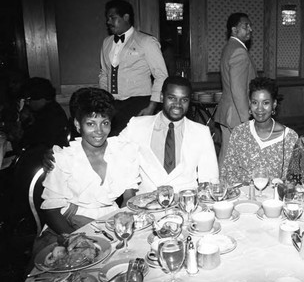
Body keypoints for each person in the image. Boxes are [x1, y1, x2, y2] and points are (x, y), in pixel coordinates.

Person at [33, 87, 140, 255]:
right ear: (77, 124)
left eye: (104, 123)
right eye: (90, 124)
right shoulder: (64, 158)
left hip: (111, 222)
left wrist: (121, 223)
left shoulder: (123, 152)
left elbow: (129, 196)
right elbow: (51, 210)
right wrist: (75, 239)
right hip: (68, 225)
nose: (99, 131)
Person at [118, 76, 219, 193]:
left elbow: (210, 179)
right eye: (172, 98)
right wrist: (128, 193)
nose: (178, 104)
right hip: (145, 204)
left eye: (184, 100)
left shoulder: (201, 132)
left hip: (186, 204)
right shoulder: (137, 126)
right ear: (161, 97)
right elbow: (115, 158)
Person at [98, 0, 169, 136]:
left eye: (113, 18)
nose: (108, 22)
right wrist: (104, 101)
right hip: (113, 105)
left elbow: (161, 75)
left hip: (139, 103)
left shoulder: (146, 41)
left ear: (126, 17)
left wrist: (151, 107)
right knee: (114, 144)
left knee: (136, 145)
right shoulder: (106, 43)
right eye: (107, 18)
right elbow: (104, 74)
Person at [221, 77, 298, 184]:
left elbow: (291, 180)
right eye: (255, 102)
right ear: (249, 103)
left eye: (265, 103)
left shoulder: (289, 137)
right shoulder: (239, 133)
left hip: (274, 198)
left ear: (274, 104)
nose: (259, 109)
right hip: (243, 198)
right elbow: (227, 172)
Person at [214, 13, 257, 163]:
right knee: (237, 160)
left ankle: (220, 185)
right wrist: (247, 121)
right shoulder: (239, 51)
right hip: (237, 115)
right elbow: (238, 90)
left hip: (228, 112)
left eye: (250, 26)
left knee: (226, 155)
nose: (250, 29)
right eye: (246, 26)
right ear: (234, 29)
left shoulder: (229, 47)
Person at [10, 77, 68, 152]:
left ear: (43, 98)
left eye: (29, 99)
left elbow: (33, 143)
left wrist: (17, 137)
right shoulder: (47, 110)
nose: (27, 103)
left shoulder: (50, 116)